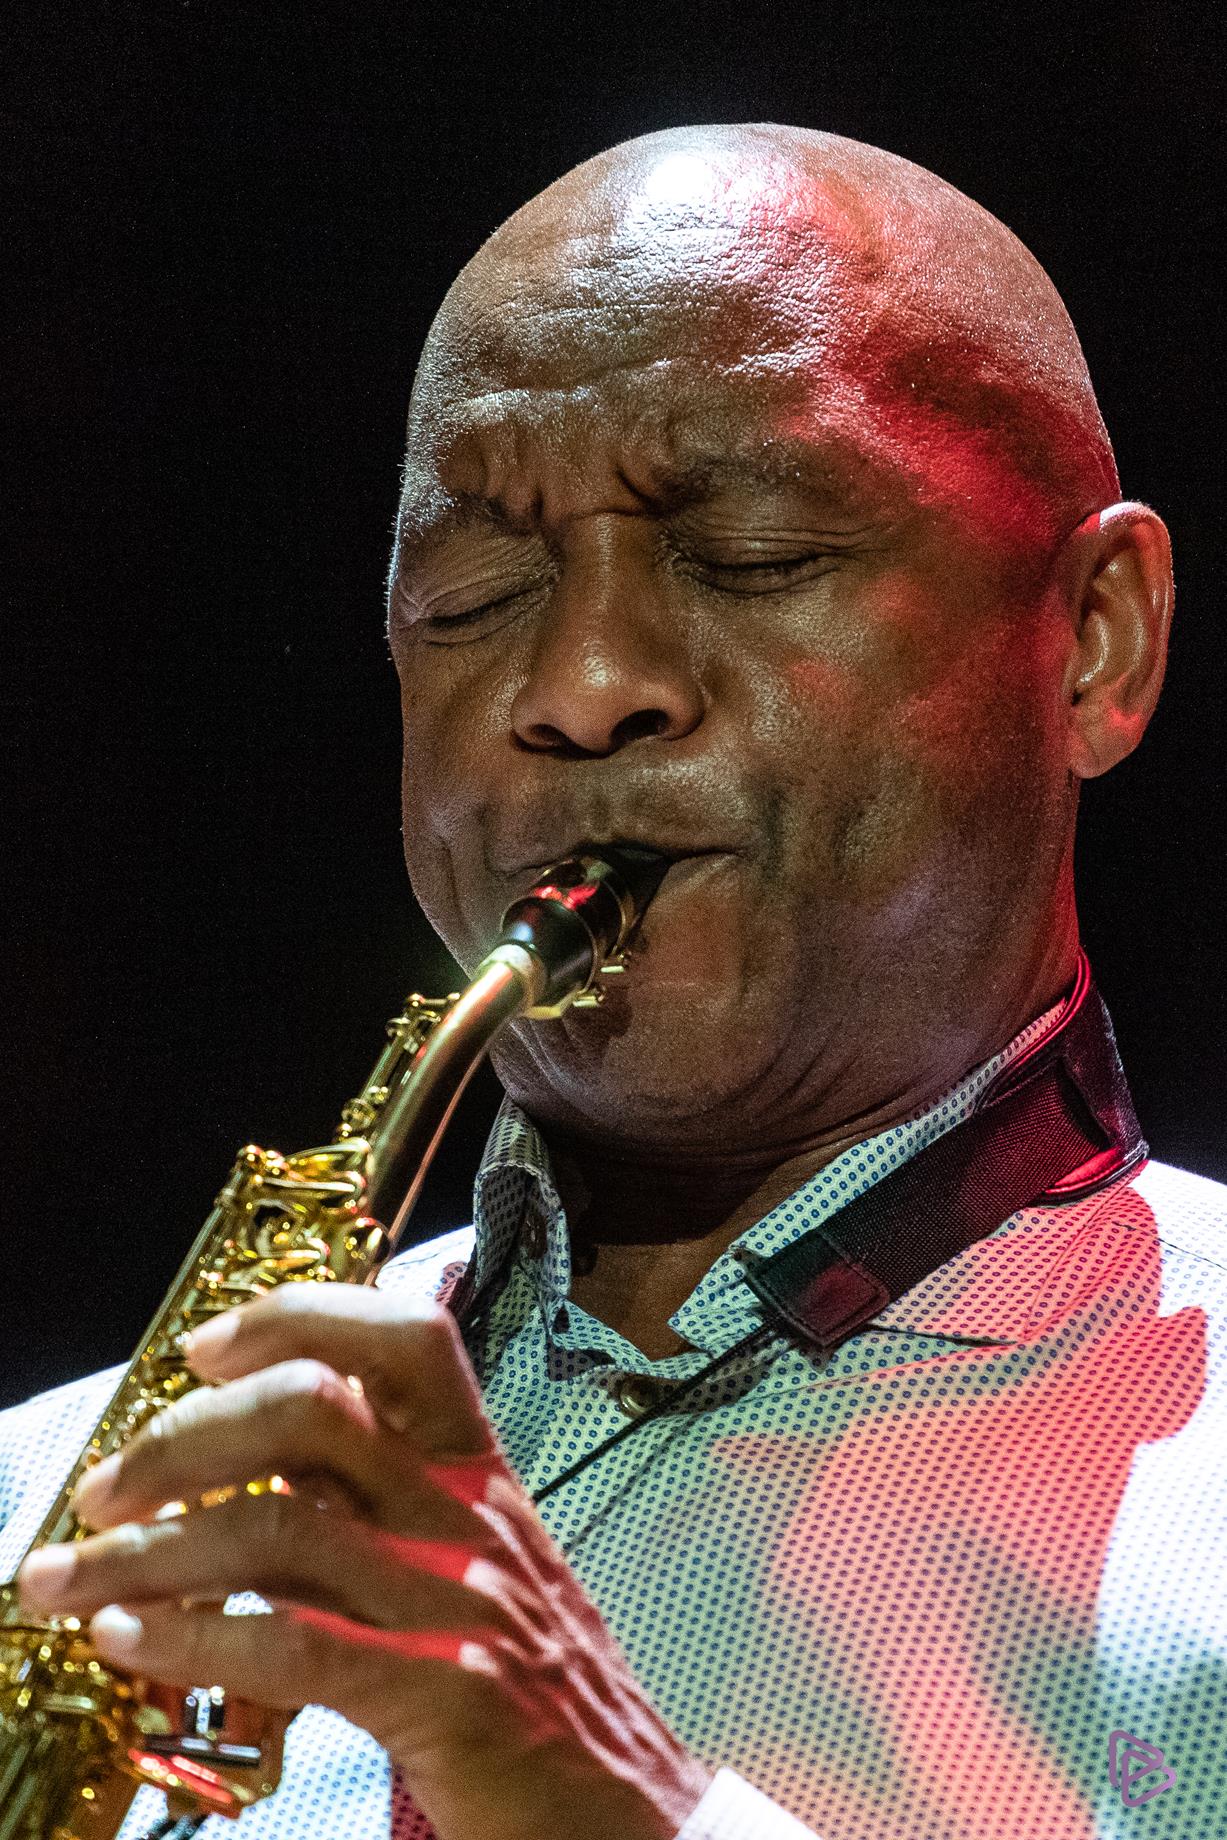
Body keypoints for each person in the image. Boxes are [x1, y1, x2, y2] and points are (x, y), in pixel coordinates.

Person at [3, 122, 1224, 1840]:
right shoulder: (47, 1506)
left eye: (756, 554)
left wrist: (610, 1803)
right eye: (476, 593)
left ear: (1096, 639)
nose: (581, 684)